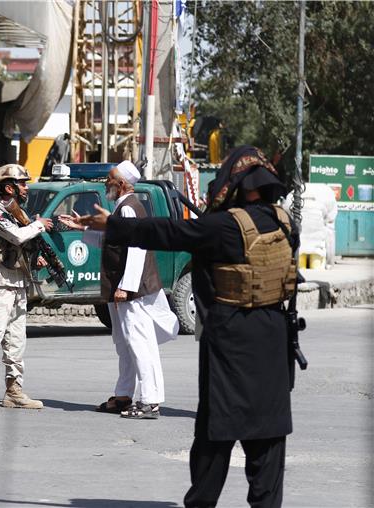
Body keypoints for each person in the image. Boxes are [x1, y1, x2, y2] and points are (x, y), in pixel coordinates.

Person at [74, 146, 298, 507]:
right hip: (274, 343)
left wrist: (113, 224)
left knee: (214, 439)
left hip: (230, 343)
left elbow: (170, 232)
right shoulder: (286, 224)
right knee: (268, 443)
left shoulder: (227, 226)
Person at [60, 161, 179, 418]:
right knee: (125, 344)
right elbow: (112, 241)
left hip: (131, 290)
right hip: (124, 288)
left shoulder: (129, 209)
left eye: (110, 179)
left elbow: (136, 249)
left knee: (139, 343)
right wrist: (82, 228)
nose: (106, 183)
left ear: (122, 183)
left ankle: (150, 400)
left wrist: (126, 287)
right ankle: (124, 395)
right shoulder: (122, 208)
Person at [0, 164, 52, 412]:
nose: (26, 188)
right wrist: (39, 224)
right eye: (22, 183)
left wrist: (34, 258)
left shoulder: (16, 212)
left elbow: (18, 246)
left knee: (16, 342)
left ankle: (14, 391)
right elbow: (17, 236)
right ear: (9, 187)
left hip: (18, 283)